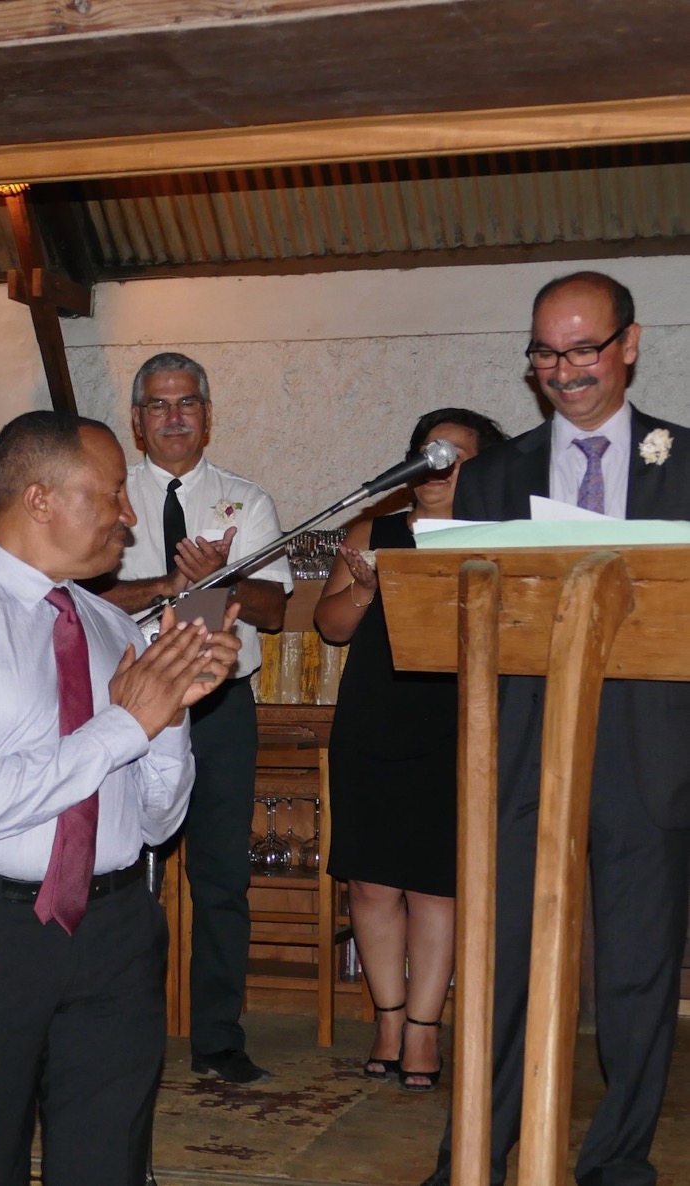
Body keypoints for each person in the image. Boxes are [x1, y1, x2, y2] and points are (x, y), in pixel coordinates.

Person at [0, 410, 240, 1185]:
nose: (128, 514)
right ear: (39, 498)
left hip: (115, 930)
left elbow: (156, 821)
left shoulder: (116, 628)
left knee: (107, 1166)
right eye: (110, 493)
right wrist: (124, 724)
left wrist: (171, 713)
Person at [420, 271, 690, 1186]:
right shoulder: (493, 474)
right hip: (523, 753)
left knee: (637, 974)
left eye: (583, 349)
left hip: (650, 753)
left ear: (629, 345)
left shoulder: (685, 461)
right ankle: (475, 1153)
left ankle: (615, 1161)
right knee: (502, 965)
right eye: (545, 352)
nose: (564, 370)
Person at [97, 351, 292, 1084]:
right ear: (137, 420)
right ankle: (121, 1028)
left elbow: (273, 609)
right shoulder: (109, 498)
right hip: (126, 700)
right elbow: (84, 598)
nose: (173, 417)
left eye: (186, 404)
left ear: (207, 416)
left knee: (219, 877)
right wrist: (170, 582)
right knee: (122, 871)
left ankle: (217, 1038)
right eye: (158, 404)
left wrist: (222, 579)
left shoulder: (245, 499)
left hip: (217, 705)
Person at [314, 408, 505, 1092]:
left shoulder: (500, 538)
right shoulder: (373, 531)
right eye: (427, 451)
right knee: (369, 881)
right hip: (373, 719)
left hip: (456, 722)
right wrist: (365, 592)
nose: (436, 464)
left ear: (482, 469)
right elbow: (331, 626)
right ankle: (388, 1020)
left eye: (454, 454)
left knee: (434, 884)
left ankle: (424, 1027)